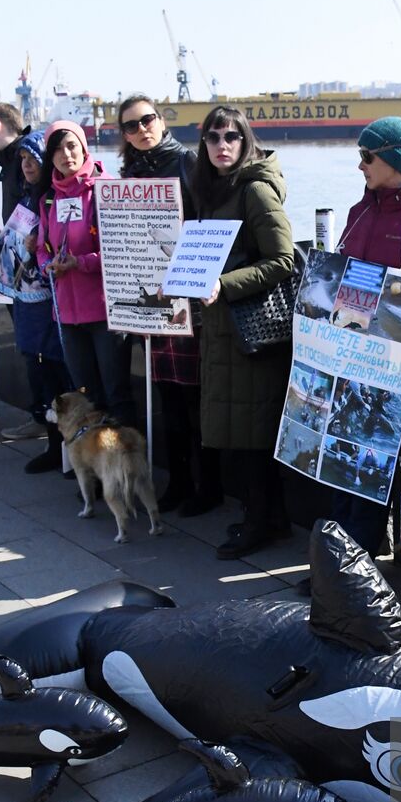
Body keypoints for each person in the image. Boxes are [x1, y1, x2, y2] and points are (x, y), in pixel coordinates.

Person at [294, 116, 401, 594]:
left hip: (394, 370)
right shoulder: (360, 210)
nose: (359, 164)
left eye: (368, 156)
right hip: (351, 361)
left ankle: (353, 578)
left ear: (395, 160)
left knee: (369, 472)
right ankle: (337, 569)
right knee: (340, 467)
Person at [188, 106, 295, 559]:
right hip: (224, 330)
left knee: (254, 435)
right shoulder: (212, 190)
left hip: (253, 332)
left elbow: (283, 259)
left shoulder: (253, 189)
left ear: (246, 140)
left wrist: (223, 285)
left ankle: (262, 524)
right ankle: (264, 518)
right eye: (213, 138)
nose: (222, 145)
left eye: (232, 136)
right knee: (243, 434)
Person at [118, 93, 222, 517]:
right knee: (168, 399)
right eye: (130, 125)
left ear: (161, 121)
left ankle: (208, 486)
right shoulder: (129, 173)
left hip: (189, 302)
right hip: (151, 302)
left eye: (147, 120)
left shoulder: (187, 162)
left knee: (197, 401)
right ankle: (179, 481)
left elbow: (208, 224)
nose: (141, 130)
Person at [36, 121, 135, 425]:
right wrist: (46, 266)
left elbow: (123, 250)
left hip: (105, 311)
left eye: (71, 146)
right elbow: (43, 247)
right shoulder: (49, 199)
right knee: (85, 396)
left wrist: (81, 263)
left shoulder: (108, 190)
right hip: (66, 313)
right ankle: (93, 463)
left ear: (83, 147)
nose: (66, 155)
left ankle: (126, 463)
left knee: (116, 394)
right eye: (57, 150)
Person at [0, 129, 72, 472]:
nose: (26, 165)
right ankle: (54, 448)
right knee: (38, 372)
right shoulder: (28, 197)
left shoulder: (56, 198)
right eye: (22, 159)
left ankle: (70, 455)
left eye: (33, 158)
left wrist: (38, 245)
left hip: (54, 304)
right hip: (27, 301)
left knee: (61, 375)